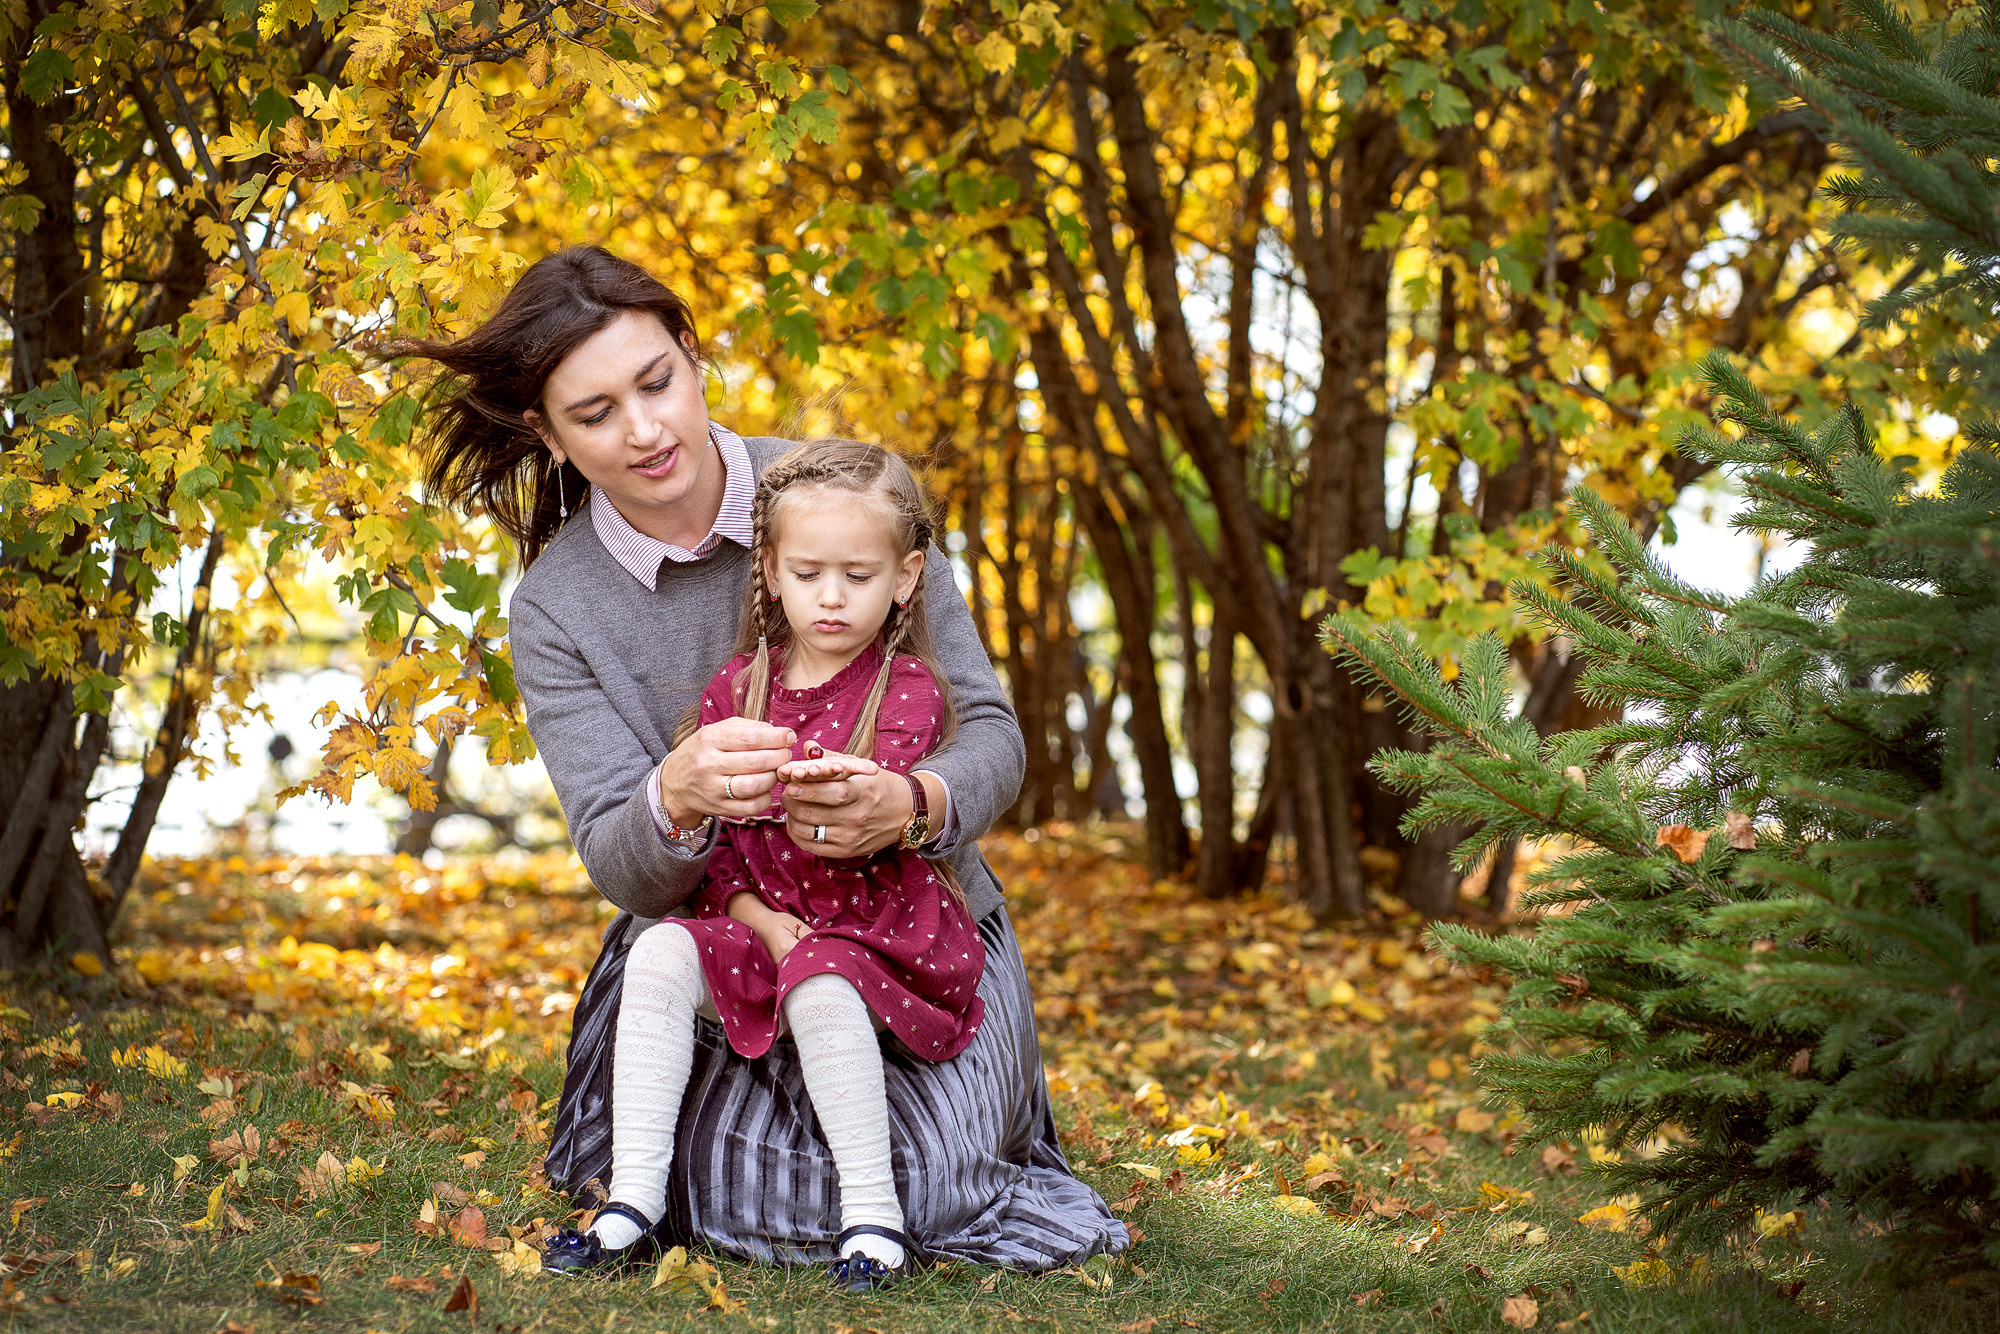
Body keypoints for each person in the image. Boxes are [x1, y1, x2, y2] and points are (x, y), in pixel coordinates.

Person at [390, 246, 1124, 1279]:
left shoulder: (849, 498)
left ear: (692, 359)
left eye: (656, 382)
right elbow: (619, 860)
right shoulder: (557, 606)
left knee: (929, 1187)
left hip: (909, 919)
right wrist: (675, 795)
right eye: (595, 412)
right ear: (542, 430)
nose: (645, 429)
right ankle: (653, 1182)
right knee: (750, 1191)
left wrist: (910, 801)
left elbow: (993, 736)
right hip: (718, 924)